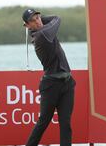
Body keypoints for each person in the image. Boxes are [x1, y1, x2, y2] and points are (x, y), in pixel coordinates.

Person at [22, 8, 76, 146]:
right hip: (51, 85)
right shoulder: (42, 35)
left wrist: (39, 17)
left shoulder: (42, 29)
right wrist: (41, 17)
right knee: (43, 122)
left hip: (67, 83)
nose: (38, 22)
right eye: (33, 21)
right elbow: (57, 18)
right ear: (27, 26)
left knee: (66, 124)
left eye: (38, 18)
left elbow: (48, 20)